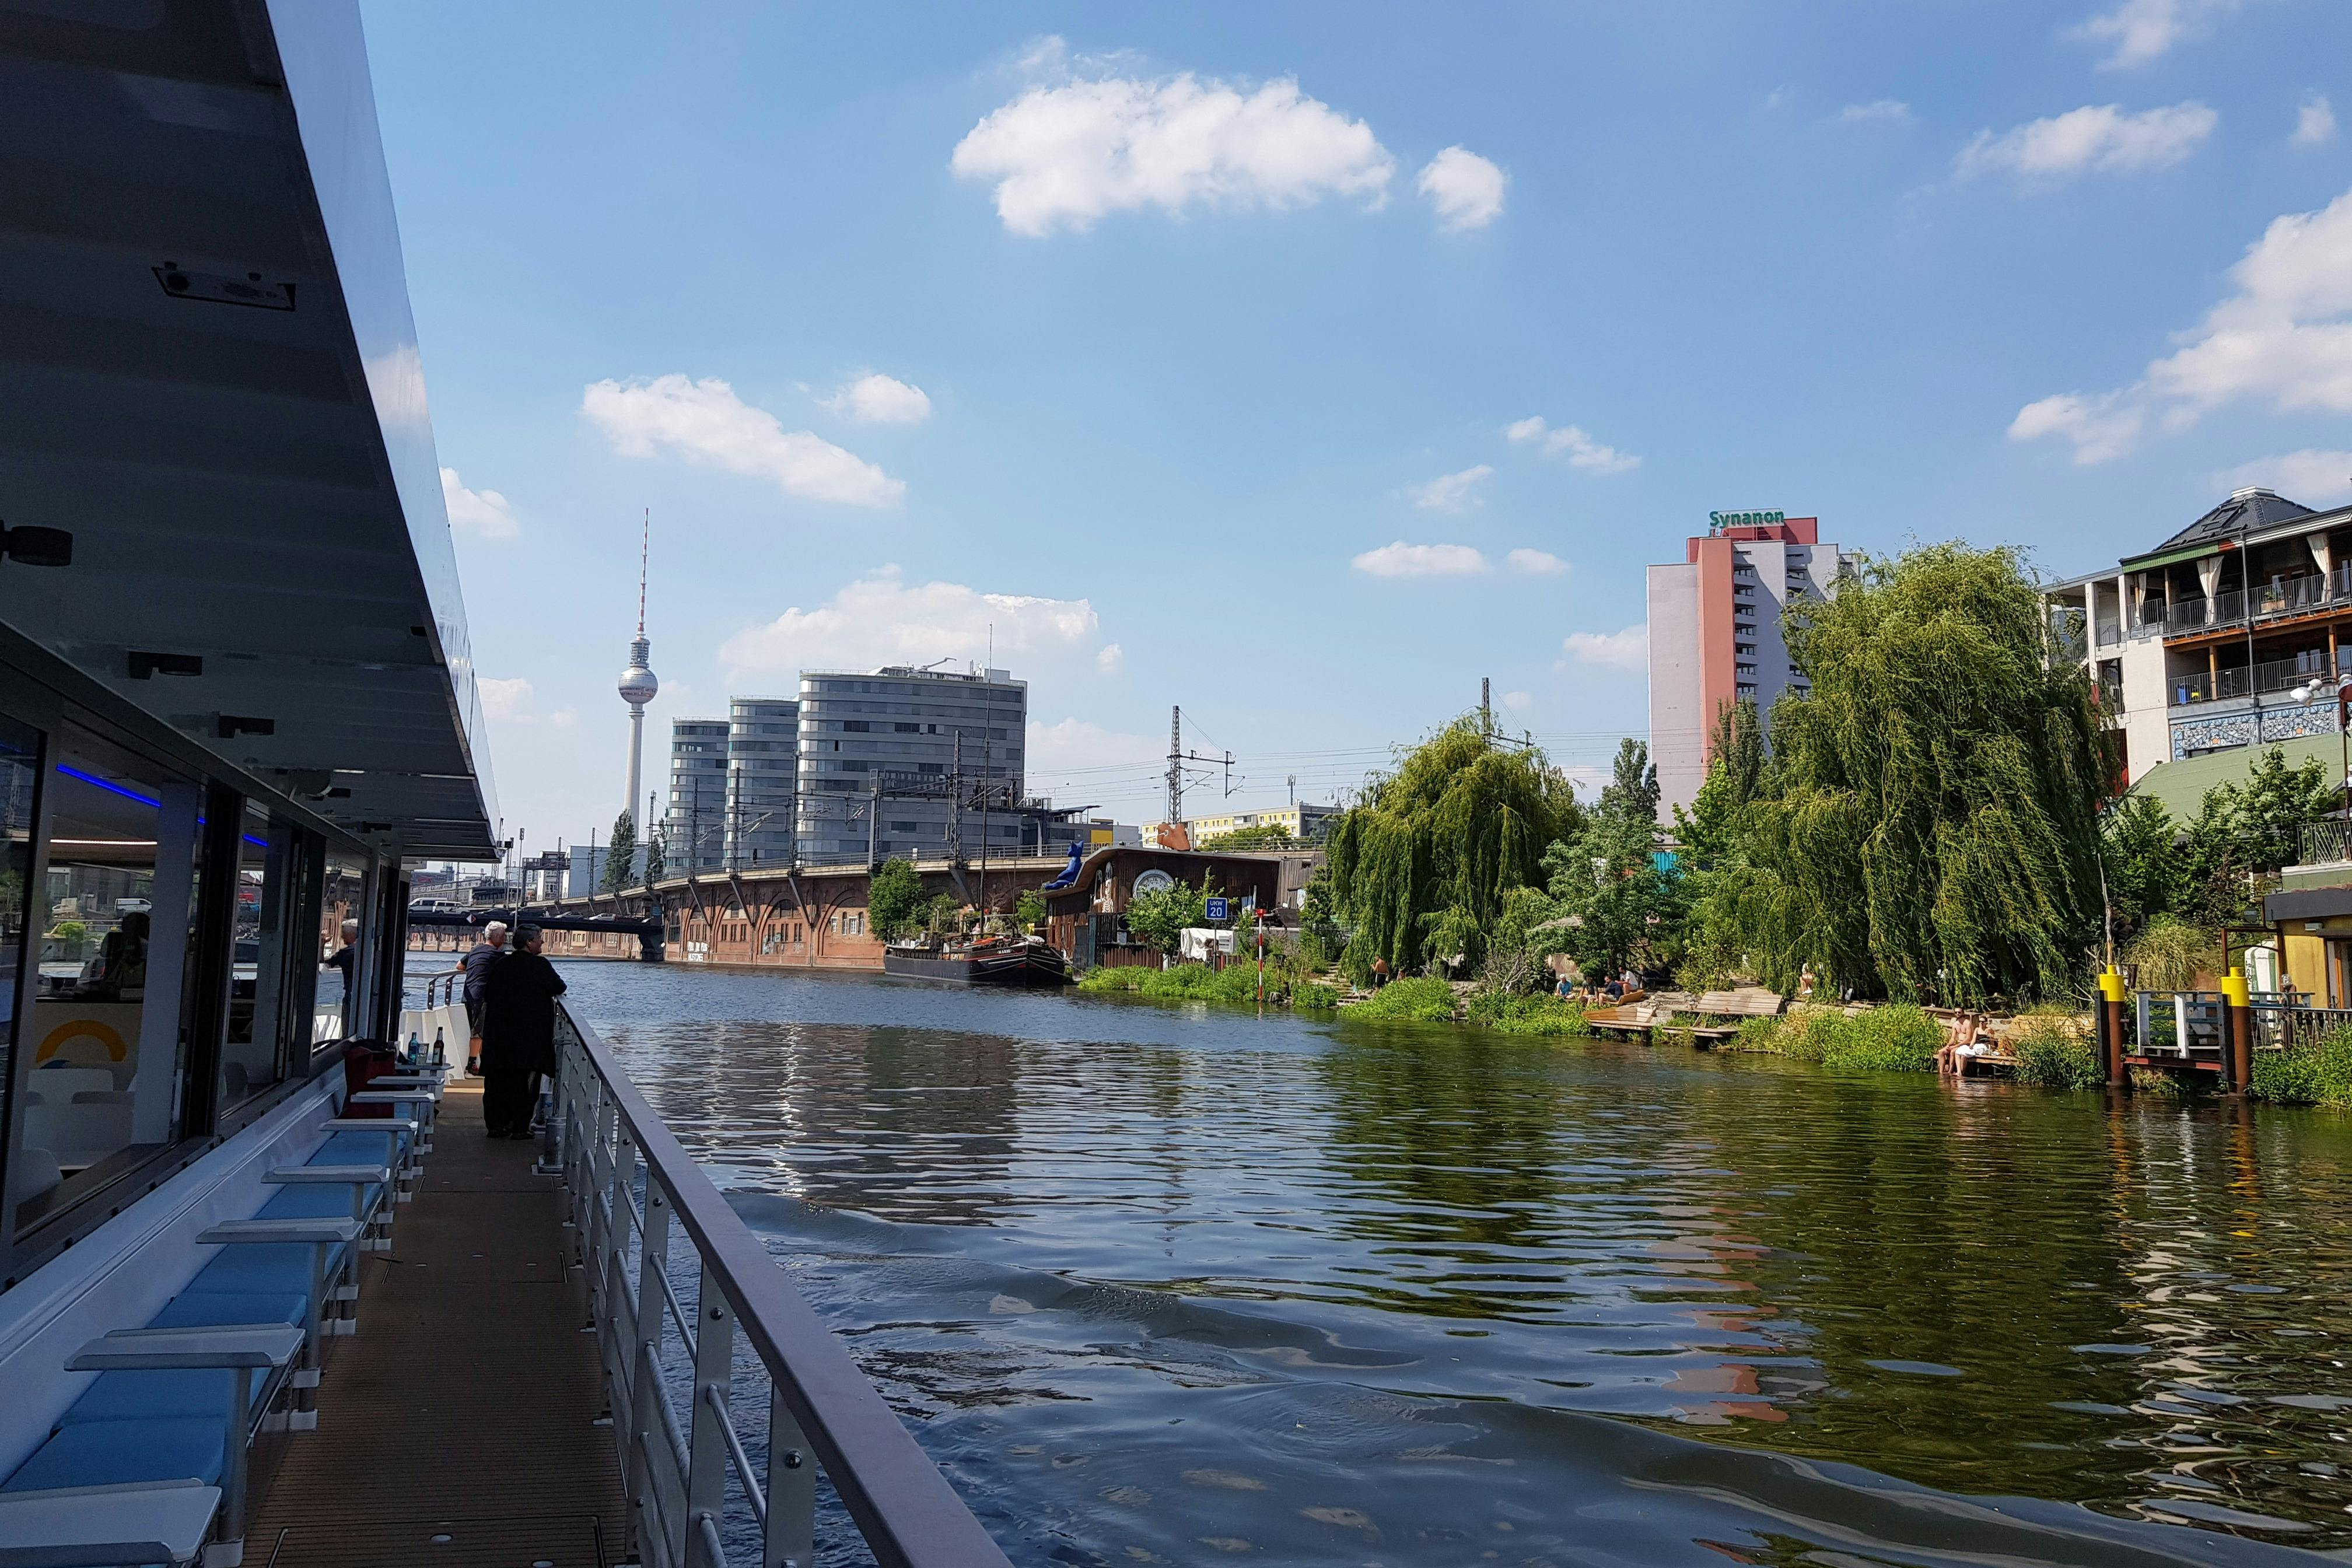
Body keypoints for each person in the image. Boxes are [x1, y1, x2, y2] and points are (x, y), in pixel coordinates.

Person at [478, 924, 565, 1139]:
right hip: (528, 1037)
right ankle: (519, 1127)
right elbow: (559, 987)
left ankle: (496, 1126)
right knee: (524, 1083)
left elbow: (488, 995)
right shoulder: (539, 965)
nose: (542, 942)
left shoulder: (502, 965)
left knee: (497, 1081)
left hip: (499, 1035)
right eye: (539, 939)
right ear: (529, 942)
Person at [454, 921, 508, 1075]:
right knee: (478, 1031)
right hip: (483, 996)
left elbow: (459, 966)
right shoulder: (498, 955)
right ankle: (471, 1065)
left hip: (468, 995)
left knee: (481, 1030)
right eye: (503, 936)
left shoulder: (476, 950)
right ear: (496, 937)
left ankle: (485, 1064)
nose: (505, 940)